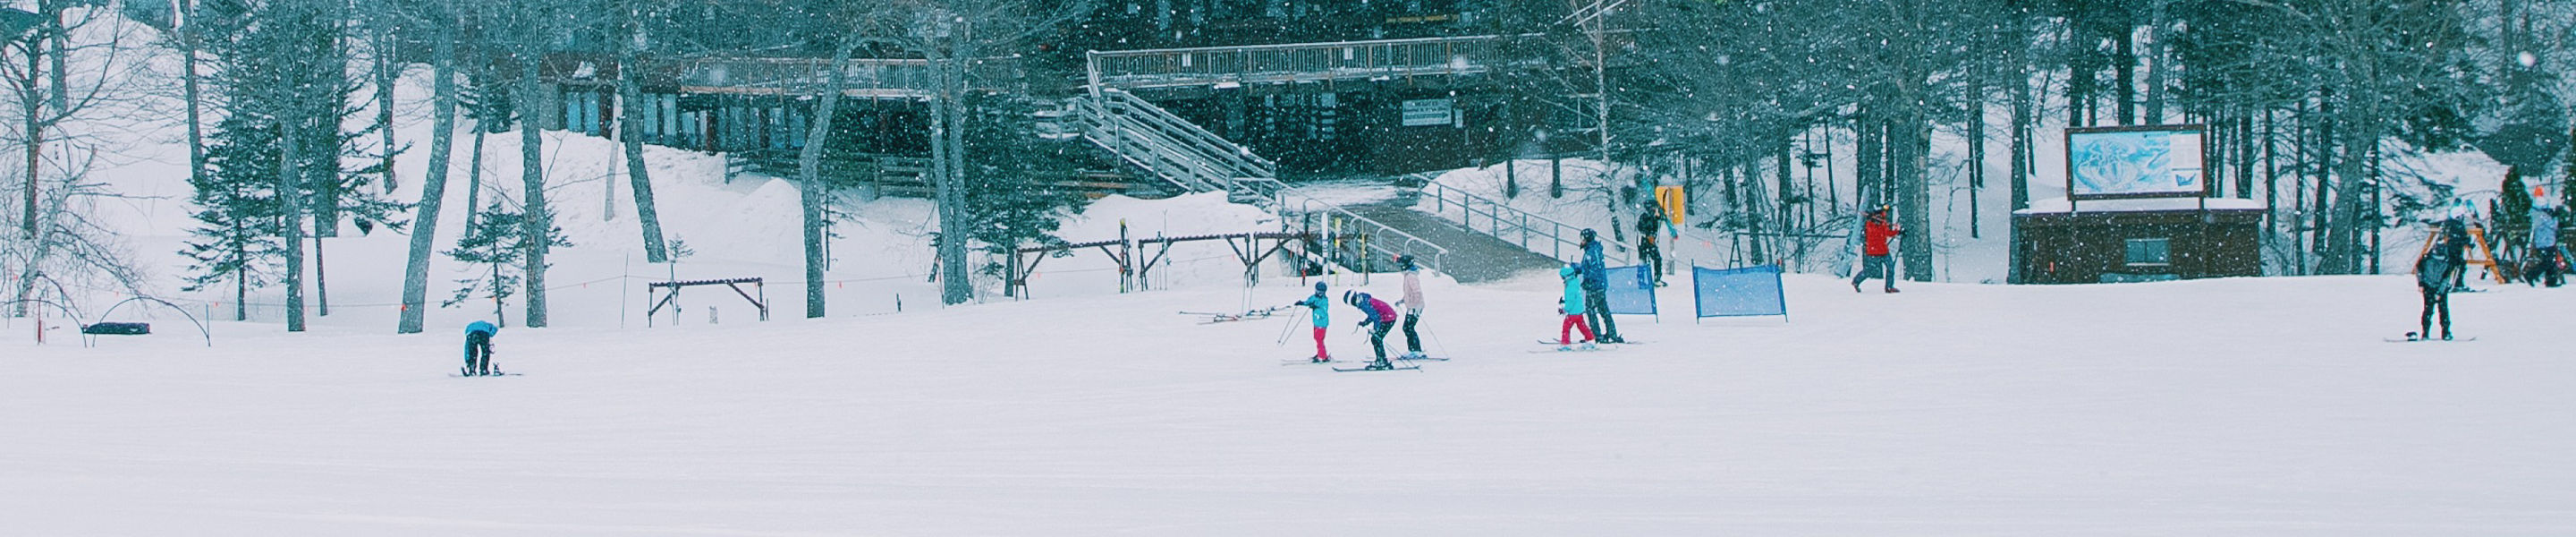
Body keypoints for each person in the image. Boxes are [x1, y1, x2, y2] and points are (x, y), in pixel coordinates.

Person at [2416, 220, 2469, 340]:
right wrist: (2421, 284)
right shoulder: (2426, 260)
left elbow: (2446, 278)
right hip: (2428, 287)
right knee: (2428, 311)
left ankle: (2446, 332)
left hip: (2441, 288)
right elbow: (2419, 271)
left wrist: (2440, 292)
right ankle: (2425, 333)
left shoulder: (2447, 262)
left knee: (2443, 311)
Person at [1577, 228, 1624, 343]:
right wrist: (1578, 270)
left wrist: (1590, 281)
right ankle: (1611, 333)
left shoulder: (1593, 251)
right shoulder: (1591, 250)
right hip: (1596, 285)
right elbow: (1587, 267)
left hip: (1596, 286)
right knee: (1602, 309)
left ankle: (1596, 334)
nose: (1581, 241)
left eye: (1583, 238)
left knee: (1591, 309)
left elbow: (1596, 268)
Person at [1344, 290, 1402, 369]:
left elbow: (1376, 317)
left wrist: (1376, 329)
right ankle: (1382, 359)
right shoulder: (1364, 300)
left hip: (1388, 318)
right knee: (1377, 339)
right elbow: (1373, 314)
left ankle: (1381, 361)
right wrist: (1365, 322)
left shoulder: (1363, 304)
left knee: (1376, 339)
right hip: (1388, 316)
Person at [1852, 206, 1903, 294]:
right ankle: (1856, 281)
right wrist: (1874, 221)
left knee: (1890, 268)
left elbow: (1888, 233)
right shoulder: (1869, 224)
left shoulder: (1882, 223)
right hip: (1873, 252)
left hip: (1884, 251)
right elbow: (1874, 231)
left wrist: (1898, 232)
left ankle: (1889, 287)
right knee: (1869, 271)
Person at [1556, 264, 1597, 351]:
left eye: (1563, 277)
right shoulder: (1575, 283)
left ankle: (1565, 344)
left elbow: (1571, 301)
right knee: (1582, 326)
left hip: (1573, 313)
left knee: (1566, 328)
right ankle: (1590, 339)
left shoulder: (1570, 287)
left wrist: (1565, 309)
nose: (1562, 280)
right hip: (1579, 311)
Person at [1290, 282, 1334, 362]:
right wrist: (1302, 303)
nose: (1319, 294)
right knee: (1316, 338)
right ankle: (1320, 353)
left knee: (1319, 339)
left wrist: (1316, 307)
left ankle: (1323, 356)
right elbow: (1309, 302)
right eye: (1318, 291)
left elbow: (1323, 311)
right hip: (1316, 323)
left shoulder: (1324, 301)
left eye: (1321, 292)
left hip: (1322, 323)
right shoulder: (1314, 297)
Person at [1395, 255, 1428, 360]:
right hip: (1413, 306)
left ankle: (1415, 350)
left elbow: (1417, 292)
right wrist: (1403, 300)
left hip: (1415, 307)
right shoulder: (1408, 276)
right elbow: (1409, 293)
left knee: (1408, 327)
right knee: (1408, 328)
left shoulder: (1411, 277)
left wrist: (1414, 306)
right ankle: (1414, 349)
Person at [2529, 204, 2563, 287]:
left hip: (2545, 241)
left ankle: (2551, 281)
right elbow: (2553, 225)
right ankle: (2531, 274)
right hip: (2546, 242)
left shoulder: (2538, 216)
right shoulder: (2543, 216)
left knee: (2551, 262)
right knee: (2547, 262)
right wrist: (2555, 217)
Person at [1637, 204, 1669, 286]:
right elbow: (1641, 228)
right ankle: (1642, 280)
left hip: (1650, 242)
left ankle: (1656, 278)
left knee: (1656, 259)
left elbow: (1660, 219)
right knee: (1643, 260)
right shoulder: (1644, 217)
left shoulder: (1653, 218)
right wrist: (1649, 235)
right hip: (1644, 242)